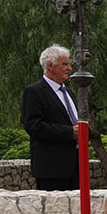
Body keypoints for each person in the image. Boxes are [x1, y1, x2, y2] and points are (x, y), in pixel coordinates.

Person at [21, 44, 80, 191]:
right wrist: (69, 133)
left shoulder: (68, 93)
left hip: (76, 167)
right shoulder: (34, 92)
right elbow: (33, 126)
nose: (69, 68)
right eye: (64, 64)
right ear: (50, 65)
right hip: (51, 169)